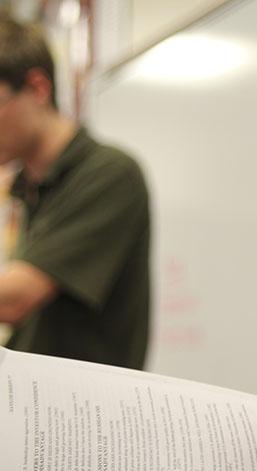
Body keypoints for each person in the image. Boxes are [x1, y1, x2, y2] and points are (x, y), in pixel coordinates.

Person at [0, 15, 150, 368]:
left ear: (37, 88)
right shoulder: (28, 188)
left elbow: (15, 299)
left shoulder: (110, 175)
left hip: (89, 416)